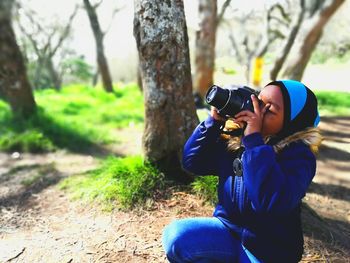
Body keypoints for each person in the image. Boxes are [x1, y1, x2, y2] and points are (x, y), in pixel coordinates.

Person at [162, 80, 323, 263]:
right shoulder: (237, 139)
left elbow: (268, 201)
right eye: (259, 101)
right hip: (229, 231)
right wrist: (214, 122)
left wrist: (254, 143)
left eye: (269, 110)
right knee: (177, 237)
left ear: (292, 123)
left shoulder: (299, 157)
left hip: (269, 250)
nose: (258, 111)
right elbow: (193, 162)